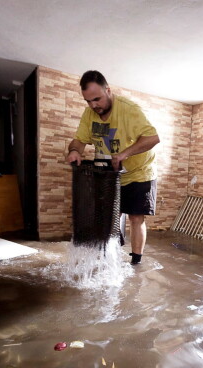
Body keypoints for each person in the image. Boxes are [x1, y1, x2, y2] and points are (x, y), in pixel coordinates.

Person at [66, 71, 160, 265]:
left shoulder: (129, 110)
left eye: (97, 99)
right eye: (88, 101)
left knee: (135, 217)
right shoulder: (89, 114)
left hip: (139, 172)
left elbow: (152, 138)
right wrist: (75, 150)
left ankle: (136, 260)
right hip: (110, 174)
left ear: (108, 90)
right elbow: (79, 140)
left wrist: (125, 153)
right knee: (107, 216)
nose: (93, 105)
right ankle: (107, 253)